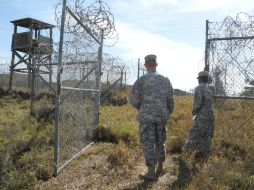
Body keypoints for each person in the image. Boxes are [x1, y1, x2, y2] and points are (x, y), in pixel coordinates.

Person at [130, 54, 174, 181]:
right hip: (161, 117)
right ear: (156, 64)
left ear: (145, 65)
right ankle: (160, 167)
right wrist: (167, 112)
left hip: (146, 117)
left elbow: (134, 99)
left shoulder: (141, 80)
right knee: (161, 141)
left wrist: (142, 108)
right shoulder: (165, 80)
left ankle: (150, 172)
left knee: (148, 143)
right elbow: (171, 100)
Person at [182, 71, 215, 160]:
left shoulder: (199, 88)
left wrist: (194, 112)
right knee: (207, 136)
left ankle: (185, 155)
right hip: (211, 114)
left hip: (202, 115)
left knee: (193, 135)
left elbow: (198, 103)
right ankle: (205, 156)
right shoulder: (211, 88)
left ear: (200, 79)